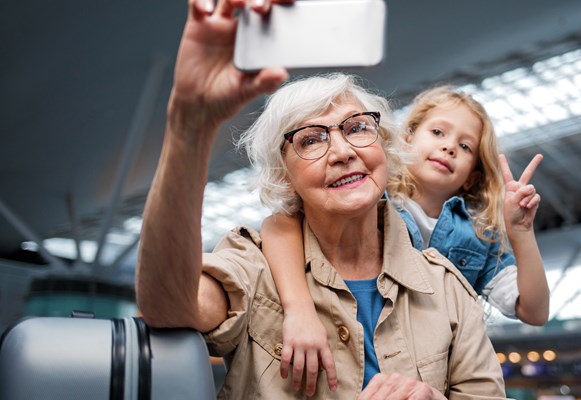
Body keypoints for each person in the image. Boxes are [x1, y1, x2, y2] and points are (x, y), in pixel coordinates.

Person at [135, 0, 506, 398]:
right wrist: (189, 127)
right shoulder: (255, 268)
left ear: (385, 149)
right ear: (286, 177)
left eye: (358, 127)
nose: (343, 151)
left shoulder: (448, 288)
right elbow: (170, 306)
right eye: (311, 139)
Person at [260, 87, 551, 391]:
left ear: (472, 177)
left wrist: (520, 232)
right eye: (438, 132)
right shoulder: (370, 199)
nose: (449, 147)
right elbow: (280, 224)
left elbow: (534, 311)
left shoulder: (479, 236)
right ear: (406, 139)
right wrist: (299, 308)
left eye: (465, 147)